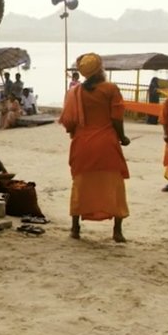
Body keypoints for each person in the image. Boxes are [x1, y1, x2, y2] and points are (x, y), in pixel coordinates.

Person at [59, 53, 131, 242]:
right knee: (114, 186)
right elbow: (117, 118)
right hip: (106, 143)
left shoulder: (75, 92)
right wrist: (123, 137)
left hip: (82, 144)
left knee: (80, 185)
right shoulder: (111, 89)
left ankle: (75, 228)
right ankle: (117, 232)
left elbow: (69, 122)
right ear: (100, 70)